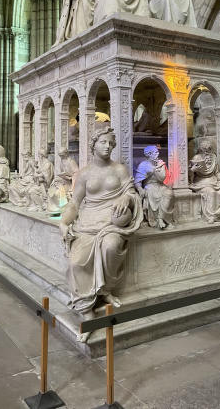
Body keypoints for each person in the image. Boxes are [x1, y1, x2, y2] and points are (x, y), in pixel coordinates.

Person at [59, 127, 143, 342]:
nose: (107, 146)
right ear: (94, 144)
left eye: (110, 143)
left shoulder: (119, 170)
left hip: (112, 223)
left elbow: (131, 191)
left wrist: (127, 198)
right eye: (103, 142)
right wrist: (64, 222)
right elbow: (75, 203)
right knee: (76, 262)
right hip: (88, 223)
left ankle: (105, 289)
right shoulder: (85, 173)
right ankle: (87, 311)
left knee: (111, 246)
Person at [189, 140, 220, 223]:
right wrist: (192, 170)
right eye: (204, 150)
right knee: (211, 192)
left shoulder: (214, 158)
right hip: (201, 183)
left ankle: (219, 213)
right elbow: (189, 175)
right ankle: (211, 216)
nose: (206, 152)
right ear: (200, 150)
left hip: (214, 181)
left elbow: (217, 173)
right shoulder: (197, 158)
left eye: (208, 150)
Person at [134, 145, 174, 229]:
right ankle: (157, 219)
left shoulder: (161, 164)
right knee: (152, 193)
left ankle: (161, 218)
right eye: (155, 152)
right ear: (149, 154)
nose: (157, 154)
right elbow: (137, 181)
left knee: (169, 193)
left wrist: (153, 171)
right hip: (149, 185)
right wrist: (140, 188)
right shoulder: (143, 165)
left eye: (157, 152)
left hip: (160, 185)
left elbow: (162, 178)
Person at [48, 146, 79, 212]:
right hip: (64, 181)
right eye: (60, 156)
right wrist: (56, 179)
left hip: (70, 184)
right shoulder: (61, 162)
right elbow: (63, 174)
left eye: (62, 155)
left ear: (66, 154)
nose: (61, 157)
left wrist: (70, 179)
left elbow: (76, 174)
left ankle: (62, 209)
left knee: (57, 193)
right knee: (51, 190)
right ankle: (55, 207)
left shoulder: (71, 162)